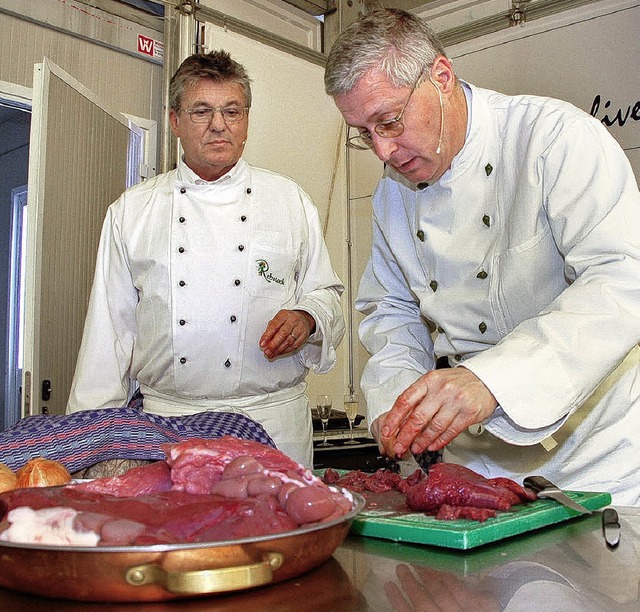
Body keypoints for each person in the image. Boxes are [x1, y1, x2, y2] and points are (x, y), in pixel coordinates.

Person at [324, 9, 640, 504]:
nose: (383, 151)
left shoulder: (552, 139)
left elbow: (622, 278)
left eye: (390, 121)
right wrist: (398, 401)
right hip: (478, 465)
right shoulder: (393, 194)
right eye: (364, 133)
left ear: (442, 76)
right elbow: (390, 310)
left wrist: (492, 380)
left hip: (597, 457)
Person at [67, 50, 345, 467]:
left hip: (273, 425)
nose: (219, 124)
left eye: (232, 111)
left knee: (276, 533)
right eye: (202, 111)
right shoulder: (132, 212)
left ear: (247, 120)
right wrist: (89, 445)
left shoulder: (289, 201)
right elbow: (109, 334)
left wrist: (308, 317)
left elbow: (327, 296)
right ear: (175, 120)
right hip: (168, 428)